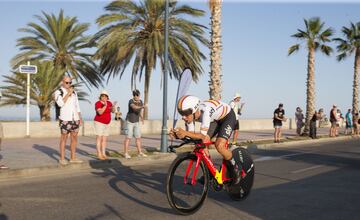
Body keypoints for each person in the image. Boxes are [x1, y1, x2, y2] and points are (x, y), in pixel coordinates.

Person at [170, 95, 243, 184]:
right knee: (200, 143)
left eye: (185, 114)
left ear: (194, 110)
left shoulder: (206, 111)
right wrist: (178, 136)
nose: (183, 117)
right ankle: (210, 172)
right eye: (181, 114)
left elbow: (201, 136)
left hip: (228, 117)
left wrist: (185, 133)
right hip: (215, 119)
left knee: (219, 145)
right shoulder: (191, 116)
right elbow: (192, 136)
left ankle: (236, 169)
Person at [54, 76, 83, 165]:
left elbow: (77, 106)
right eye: (67, 82)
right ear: (62, 82)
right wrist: (68, 94)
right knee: (64, 138)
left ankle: (72, 158)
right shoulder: (58, 92)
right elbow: (60, 104)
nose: (69, 84)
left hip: (75, 119)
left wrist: (80, 118)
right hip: (65, 119)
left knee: (74, 138)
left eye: (70, 83)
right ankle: (62, 158)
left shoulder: (74, 92)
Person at [123, 89, 147, 159]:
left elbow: (140, 111)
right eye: (134, 95)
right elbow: (134, 107)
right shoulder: (131, 101)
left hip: (136, 122)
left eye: (137, 95)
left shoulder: (141, 101)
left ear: (139, 95)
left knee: (138, 138)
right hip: (129, 121)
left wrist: (142, 118)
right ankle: (126, 153)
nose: (136, 96)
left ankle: (140, 152)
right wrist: (142, 107)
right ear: (133, 95)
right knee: (128, 138)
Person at [94, 90, 117, 160]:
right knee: (99, 138)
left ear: (107, 97)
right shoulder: (97, 103)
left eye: (105, 96)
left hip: (107, 123)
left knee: (104, 139)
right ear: (100, 97)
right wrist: (105, 106)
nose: (104, 97)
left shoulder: (109, 103)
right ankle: (99, 154)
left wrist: (113, 106)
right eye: (102, 96)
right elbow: (100, 112)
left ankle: (103, 153)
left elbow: (113, 111)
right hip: (99, 122)